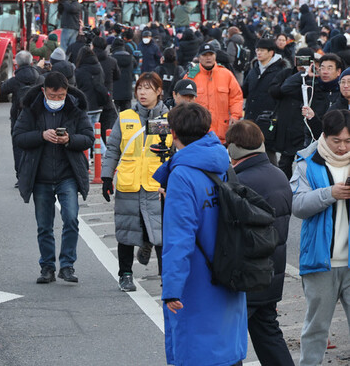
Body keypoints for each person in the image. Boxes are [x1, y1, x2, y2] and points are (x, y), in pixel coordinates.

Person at [151, 103, 248, 366]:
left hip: (198, 278)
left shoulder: (182, 174)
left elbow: (178, 240)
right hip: (230, 271)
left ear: (173, 133)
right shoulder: (222, 162)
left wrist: (171, 289)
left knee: (196, 351)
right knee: (227, 351)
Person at [12, 71, 94, 284]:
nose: (57, 100)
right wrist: (41, 135)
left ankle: (67, 265)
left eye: (61, 96)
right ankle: (47, 266)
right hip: (40, 176)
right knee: (44, 225)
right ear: (44, 91)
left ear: (67, 93)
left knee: (71, 218)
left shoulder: (75, 108)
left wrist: (69, 139)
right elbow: (18, 137)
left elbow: (88, 138)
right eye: (52, 96)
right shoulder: (32, 109)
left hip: (68, 175)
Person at [224, 120, 294, 366]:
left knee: (229, 340)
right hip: (273, 272)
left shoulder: (241, 182)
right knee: (268, 334)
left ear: (233, 150)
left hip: (249, 273)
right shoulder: (279, 175)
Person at [291, 108, 350, 366]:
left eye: (348, 141)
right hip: (320, 261)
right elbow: (298, 205)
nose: (342, 147)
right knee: (315, 330)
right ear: (324, 135)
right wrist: (330, 194)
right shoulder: (306, 161)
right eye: (336, 140)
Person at [102, 72, 167, 292]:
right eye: (139, 88)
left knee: (161, 234)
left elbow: (176, 152)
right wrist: (106, 177)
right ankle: (126, 275)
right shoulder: (126, 116)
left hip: (157, 186)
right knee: (126, 232)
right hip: (128, 184)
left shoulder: (169, 119)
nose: (142, 92)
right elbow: (112, 149)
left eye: (148, 88)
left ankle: (166, 277)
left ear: (159, 91)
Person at [243, 38, 290, 165]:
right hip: (251, 117)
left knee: (268, 154)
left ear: (271, 52)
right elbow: (245, 91)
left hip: (269, 120)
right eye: (257, 50)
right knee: (249, 151)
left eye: (262, 50)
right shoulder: (254, 69)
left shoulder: (281, 71)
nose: (259, 53)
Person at [185, 41, 243, 143]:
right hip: (198, 134)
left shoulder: (226, 74)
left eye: (211, 54)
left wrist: (235, 115)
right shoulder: (190, 77)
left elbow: (236, 97)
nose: (208, 58)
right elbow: (184, 101)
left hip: (222, 134)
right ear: (199, 57)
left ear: (215, 56)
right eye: (205, 55)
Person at [0, 50, 41, 136]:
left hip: (18, 115)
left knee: (17, 140)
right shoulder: (40, 79)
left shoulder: (14, 81)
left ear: (17, 65)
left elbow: (2, 90)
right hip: (37, 116)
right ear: (32, 63)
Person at [111, 37, 134, 112]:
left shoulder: (111, 59)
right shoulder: (130, 59)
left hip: (115, 92)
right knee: (126, 117)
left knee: (114, 117)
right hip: (127, 92)